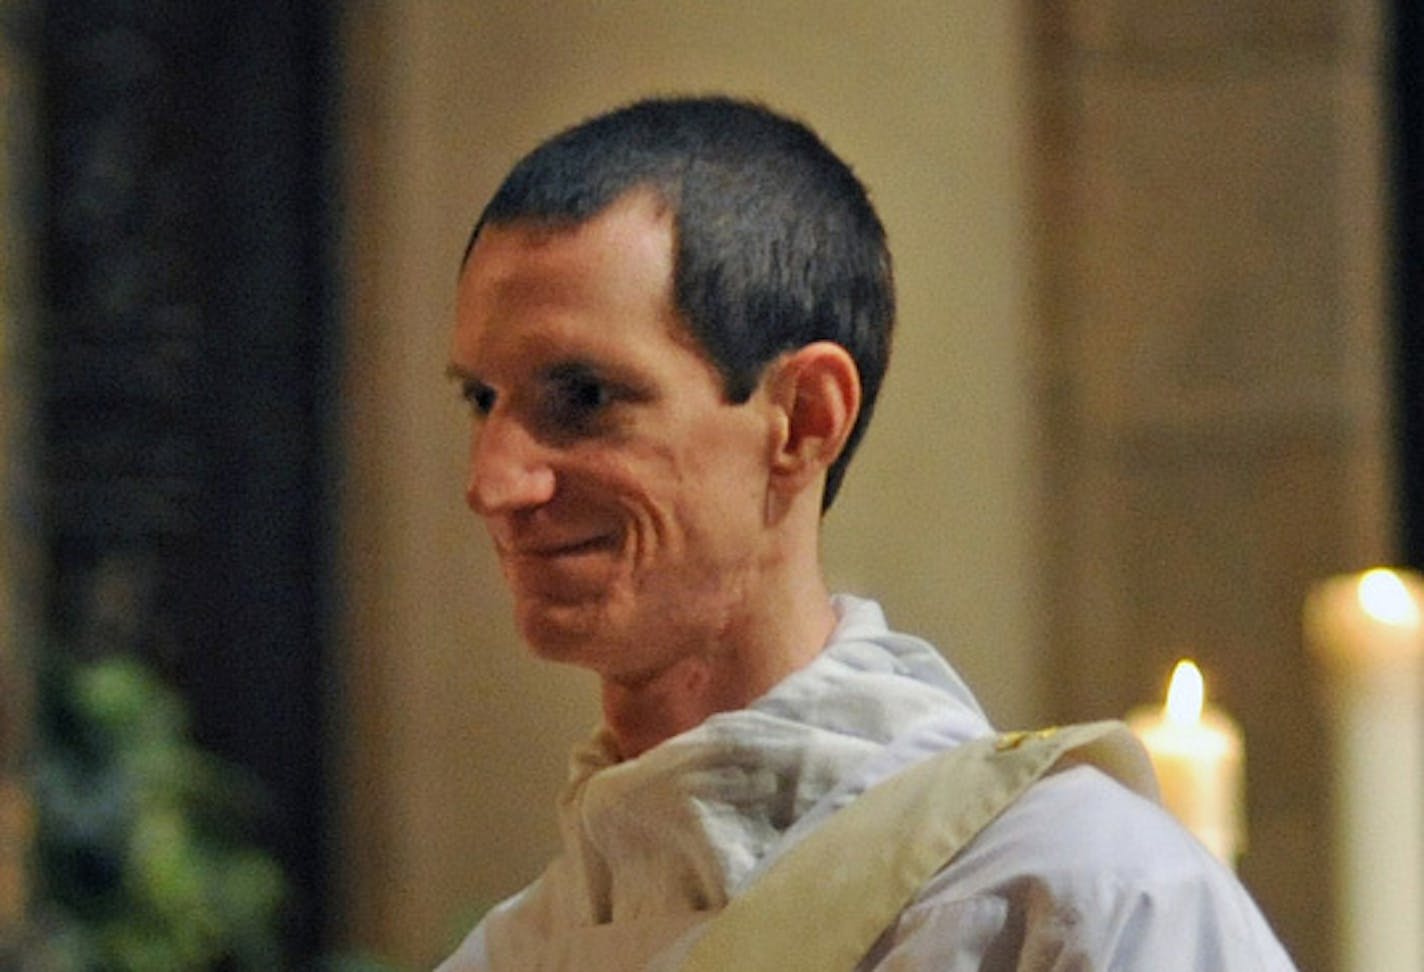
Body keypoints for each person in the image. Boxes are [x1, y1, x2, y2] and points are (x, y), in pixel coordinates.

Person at [436, 96, 1295, 971]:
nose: (494, 484)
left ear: (805, 420)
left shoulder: (1079, 899)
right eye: (481, 400)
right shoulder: (512, 955)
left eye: (583, 397)